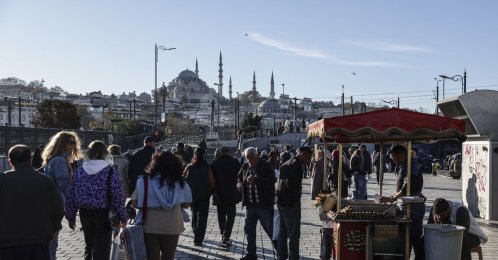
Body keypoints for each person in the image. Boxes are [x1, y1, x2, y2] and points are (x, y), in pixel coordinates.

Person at [65, 140, 128, 260]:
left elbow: (72, 195)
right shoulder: (110, 171)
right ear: (105, 153)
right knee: (102, 247)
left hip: (84, 213)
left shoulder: (80, 171)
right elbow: (118, 196)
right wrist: (123, 217)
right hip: (104, 214)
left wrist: (71, 216)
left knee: (89, 245)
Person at [0, 145, 64, 260]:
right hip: (39, 241)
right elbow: (58, 209)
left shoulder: (3, 180)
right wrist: (50, 229)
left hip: (7, 242)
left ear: (10, 161)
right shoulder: (45, 181)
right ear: (30, 159)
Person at [132, 151, 192, 260]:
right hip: (173, 225)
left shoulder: (143, 182)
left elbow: (135, 204)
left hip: (149, 226)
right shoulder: (181, 183)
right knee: (168, 257)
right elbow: (186, 204)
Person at [41, 131, 83, 260]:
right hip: (55, 204)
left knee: (51, 238)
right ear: (63, 144)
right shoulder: (59, 160)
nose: (74, 146)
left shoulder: (56, 159)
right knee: (52, 239)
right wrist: (72, 202)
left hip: (51, 203)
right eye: (71, 143)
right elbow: (63, 185)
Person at [379, 145, 425, 260]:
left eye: (395, 158)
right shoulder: (404, 166)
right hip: (407, 203)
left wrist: (391, 199)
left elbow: (407, 187)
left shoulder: (412, 165)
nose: (394, 160)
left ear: (402, 155)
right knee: (407, 235)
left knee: (414, 236)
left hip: (413, 205)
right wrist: (392, 197)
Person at [237, 147, 277, 260]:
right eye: (247, 158)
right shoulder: (245, 166)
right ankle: (251, 254)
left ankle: (281, 252)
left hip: (263, 204)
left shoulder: (266, 165)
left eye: (251, 158)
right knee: (249, 230)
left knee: (270, 229)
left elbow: (272, 180)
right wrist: (239, 185)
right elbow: (239, 179)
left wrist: (256, 179)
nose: (249, 160)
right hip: (250, 205)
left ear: (257, 156)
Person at [276, 146, 312, 260]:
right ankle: (293, 257)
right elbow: (292, 186)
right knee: (294, 234)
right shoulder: (296, 166)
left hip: (281, 202)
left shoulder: (287, 163)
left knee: (283, 232)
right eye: (307, 156)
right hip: (290, 204)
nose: (308, 160)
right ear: (301, 153)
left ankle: (281, 256)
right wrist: (295, 200)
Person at [183, 147, 215, 246]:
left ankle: (195, 233)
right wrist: (211, 191)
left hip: (192, 196)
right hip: (204, 196)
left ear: (194, 155)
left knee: (194, 215)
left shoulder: (189, 167)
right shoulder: (207, 167)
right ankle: (199, 238)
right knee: (202, 218)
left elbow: (182, 179)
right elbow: (212, 183)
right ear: (204, 155)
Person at [210, 146, 242, 247]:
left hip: (219, 194)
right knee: (231, 216)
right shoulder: (235, 162)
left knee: (221, 215)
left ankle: (222, 234)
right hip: (231, 194)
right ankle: (226, 236)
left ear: (220, 152)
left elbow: (211, 180)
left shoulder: (214, 164)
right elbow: (241, 177)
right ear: (229, 152)